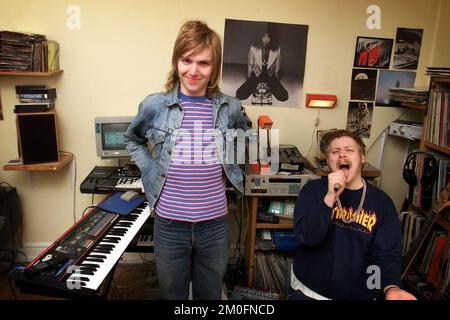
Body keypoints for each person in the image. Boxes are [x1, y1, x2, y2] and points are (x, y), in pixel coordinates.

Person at [124, 20, 247, 300]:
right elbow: (133, 139)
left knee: (209, 295)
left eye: (203, 63)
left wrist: (232, 161)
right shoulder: (154, 105)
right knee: (173, 295)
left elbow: (243, 137)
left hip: (215, 225)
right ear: (176, 61)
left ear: (214, 68)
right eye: (186, 60)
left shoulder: (231, 107)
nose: (193, 71)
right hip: (169, 224)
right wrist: (150, 167)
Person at [289, 129, 416, 300]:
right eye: (335, 152)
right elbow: (306, 237)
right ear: (328, 161)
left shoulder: (382, 203)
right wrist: (330, 197)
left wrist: (390, 287)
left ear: (362, 158)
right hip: (308, 292)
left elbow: (386, 255)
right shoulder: (312, 190)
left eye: (349, 150)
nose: (342, 155)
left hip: (358, 295)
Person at [236, 29, 288, 102]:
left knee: (283, 97)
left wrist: (275, 79)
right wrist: (249, 78)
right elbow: (250, 63)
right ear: (260, 37)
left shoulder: (277, 50)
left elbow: (278, 65)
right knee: (240, 95)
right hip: (257, 73)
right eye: (264, 36)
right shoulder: (253, 48)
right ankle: (260, 87)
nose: (266, 39)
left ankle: (267, 87)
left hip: (270, 74)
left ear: (272, 38)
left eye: (268, 37)